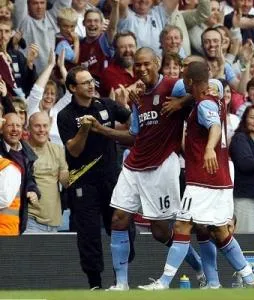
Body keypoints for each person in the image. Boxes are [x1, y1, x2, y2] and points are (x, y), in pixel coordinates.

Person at [138, 61, 254, 290]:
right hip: (221, 179)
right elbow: (212, 83)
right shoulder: (215, 98)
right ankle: (248, 278)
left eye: (184, 78)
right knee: (217, 230)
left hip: (203, 179)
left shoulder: (204, 105)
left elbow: (213, 127)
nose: (182, 82)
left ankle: (163, 282)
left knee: (183, 225)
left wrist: (208, 149)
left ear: (190, 82)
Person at [92, 47, 204, 291]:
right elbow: (134, 137)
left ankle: (198, 266)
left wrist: (180, 102)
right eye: (138, 65)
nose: (142, 69)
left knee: (160, 231)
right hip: (134, 164)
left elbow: (205, 90)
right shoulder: (138, 98)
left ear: (157, 63)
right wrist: (101, 130)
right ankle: (121, 283)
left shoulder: (173, 86)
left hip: (161, 165)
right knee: (119, 219)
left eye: (147, 64)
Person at [57, 66, 133, 290]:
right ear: (72, 88)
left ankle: (121, 279)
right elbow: (74, 151)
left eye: (92, 81)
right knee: (89, 234)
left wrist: (127, 104)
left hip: (111, 178)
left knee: (121, 228)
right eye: (85, 83)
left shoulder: (106, 105)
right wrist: (85, 130)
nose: (91, 85)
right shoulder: (66, 115)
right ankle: (95, 285)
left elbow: (131, 125)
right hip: (83, 182)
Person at [25, 112, 69, 233]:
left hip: (54, 222)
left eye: (45, 126)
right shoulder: (22, 150)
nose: (42, 130)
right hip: (30, 220)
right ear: (28, 128)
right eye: (37, 126)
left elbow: (65, 182)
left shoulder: (58, 149)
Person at [0, 113, 40, 235]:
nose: (14, 129)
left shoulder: (27, 154)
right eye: (10, 125)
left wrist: (33, 190)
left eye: (18, 125)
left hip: (15, 222)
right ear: (1, 129)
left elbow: (29, 179)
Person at [13, 0, 72, 74]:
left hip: (51, 74)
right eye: (35, 3)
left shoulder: (52, 17)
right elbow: (20, 3)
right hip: (29, 73)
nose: (39, 7)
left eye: (42, 3)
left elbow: (64, 2)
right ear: (28, 5)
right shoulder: (22, 20)